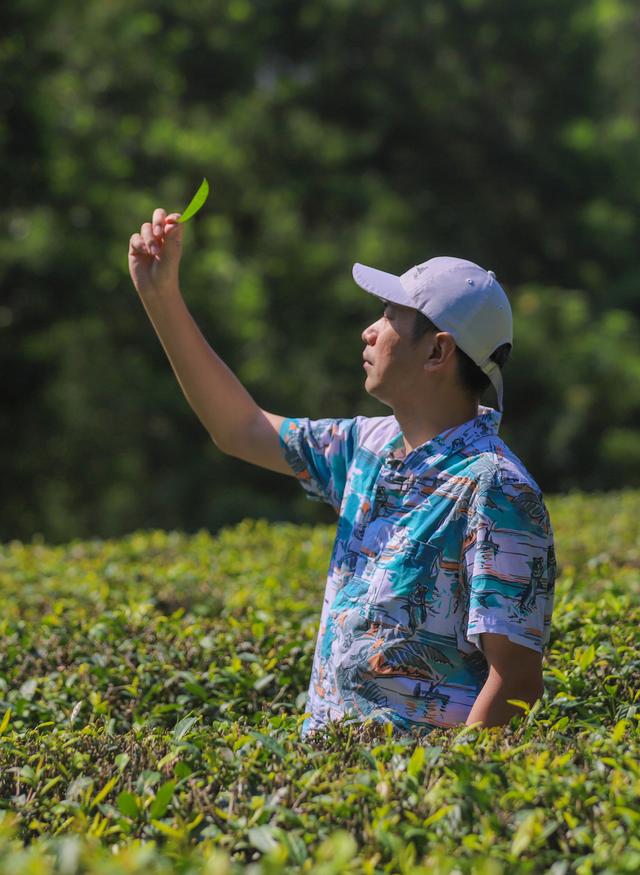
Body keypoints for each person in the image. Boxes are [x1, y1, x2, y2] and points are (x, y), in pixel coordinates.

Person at [128, 209, 556, 741]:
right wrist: (161, 296)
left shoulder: (497, 488)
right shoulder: (367, 446)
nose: (369, 331)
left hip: (412, 785)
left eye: (390, 316)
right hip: (326, 775)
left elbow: (516, 681)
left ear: (438, 351)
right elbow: (240, 428)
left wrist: (445, 783)